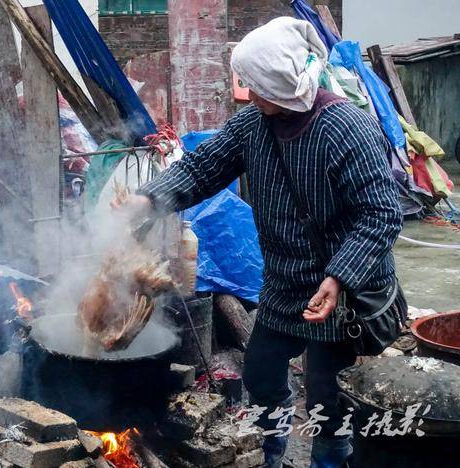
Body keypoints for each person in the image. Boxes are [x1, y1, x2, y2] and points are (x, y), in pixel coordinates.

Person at [114, 17, 403, 468]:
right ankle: (270, 456)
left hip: (339, 292)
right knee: (262, 376)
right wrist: (147, 199)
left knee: (327, 397)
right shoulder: (253, 124)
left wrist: (339, 276)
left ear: (284, 82)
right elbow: (202, 167)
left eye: (254, 83)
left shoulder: (349, 129)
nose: (244, 92)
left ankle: (330, 461)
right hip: (285, 285)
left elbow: (382, 214)